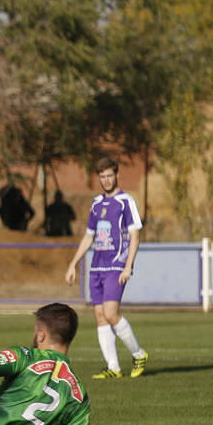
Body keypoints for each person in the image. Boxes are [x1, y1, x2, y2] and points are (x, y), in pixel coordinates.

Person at [64, 156, 148, 379]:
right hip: (97, 268)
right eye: (102, 176)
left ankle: (138, 354)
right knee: (100, 317)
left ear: (116, 175)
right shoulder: (96, 203)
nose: (106, 180)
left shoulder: (125, 201)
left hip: (116, 266)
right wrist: (74, 263)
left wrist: (128, 266)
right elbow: (89, 236)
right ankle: (114, 367)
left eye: (110, 175)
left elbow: (135, 236)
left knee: (111, 314)